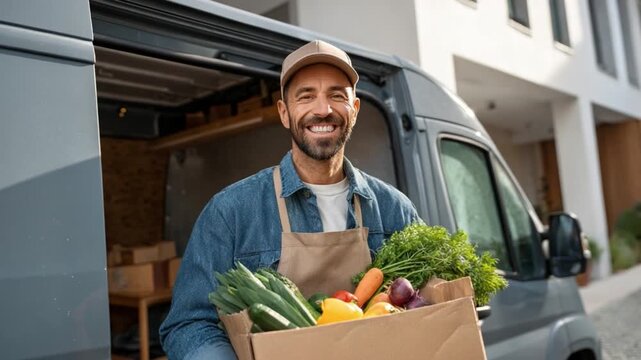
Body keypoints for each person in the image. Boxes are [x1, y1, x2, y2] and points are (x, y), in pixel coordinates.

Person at [159, 40, 421, 359]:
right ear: (284, 112)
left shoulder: (395, 209)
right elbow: (189, 324)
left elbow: (428, 300)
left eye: (337, 95)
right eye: (306, 96)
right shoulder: (231, 212)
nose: (322, 109)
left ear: (354, 109)